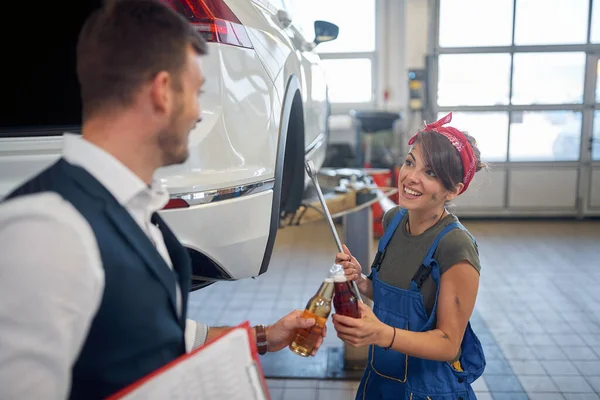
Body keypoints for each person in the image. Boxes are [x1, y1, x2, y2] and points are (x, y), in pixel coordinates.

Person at [0, 1, 324, 399]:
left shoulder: (137, 214)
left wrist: (263, 337)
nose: (196, 114)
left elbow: (149, 328)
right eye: (197, 93)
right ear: (162, 93)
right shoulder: (47, 230)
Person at [332, 112, 486, 399]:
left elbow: (449, 343)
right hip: (379, 380)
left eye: (430, 173)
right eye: (410, 162)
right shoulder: (393, 221)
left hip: (427, 389)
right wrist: (361, 280)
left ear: (453, 190)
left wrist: (381, 334)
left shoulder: (455, 246)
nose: (410, 178)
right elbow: (396, 300)